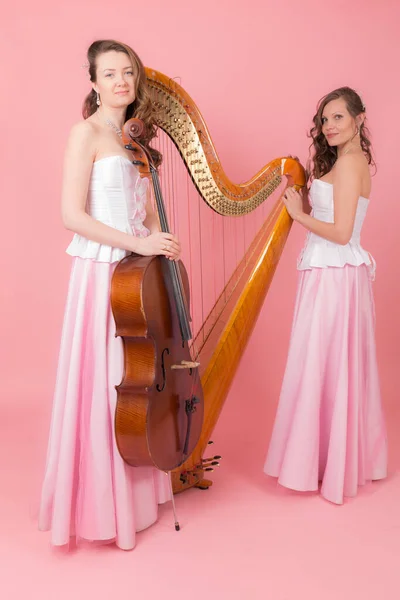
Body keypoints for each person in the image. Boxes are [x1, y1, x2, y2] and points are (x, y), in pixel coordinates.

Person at [38, 39, 181, 550]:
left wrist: (158, 238)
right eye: (110, 73)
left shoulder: (130, 141)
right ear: (94, 82)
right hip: (103, 271)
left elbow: (138, 212)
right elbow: (72, 216)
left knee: (131, 381)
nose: (121, 81)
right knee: (105, 382)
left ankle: (136, 498)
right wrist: (137, 241)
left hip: (134, 271)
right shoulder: (87, 133)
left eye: (128, 73)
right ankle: (103, 506)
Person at [264, 87, 387, 505]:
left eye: (338, 117)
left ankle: (326, 465)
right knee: (322, 364)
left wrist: (298, 215)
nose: (329, 126)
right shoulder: (342, 162)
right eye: (324, 120)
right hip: (325, 274)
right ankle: (320, 459)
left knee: (325, 363)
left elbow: (340, 233)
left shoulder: (352, 164)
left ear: (359, 118)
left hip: (336, 276)